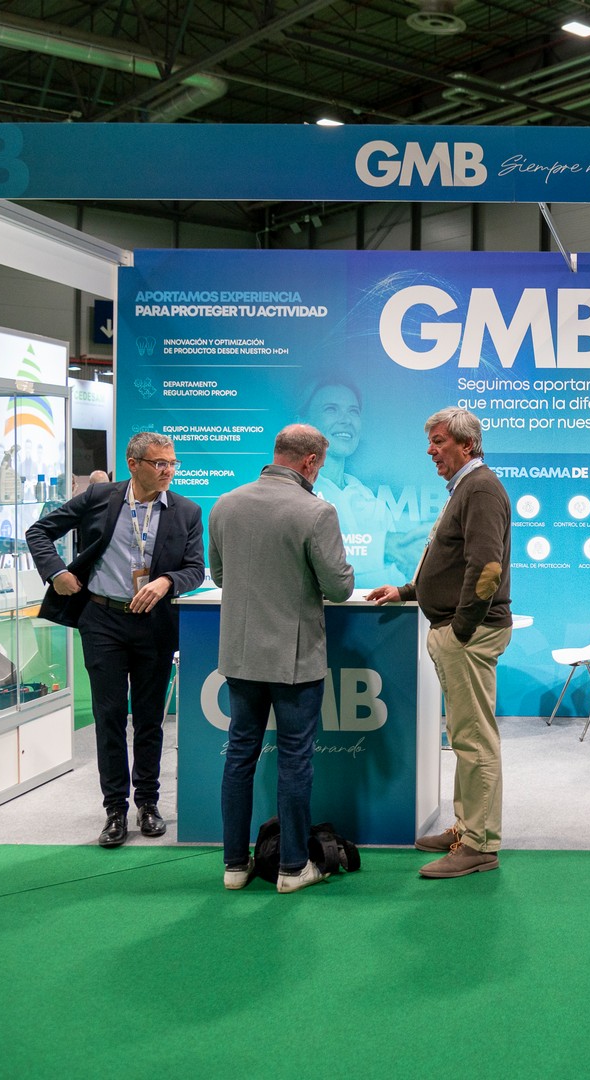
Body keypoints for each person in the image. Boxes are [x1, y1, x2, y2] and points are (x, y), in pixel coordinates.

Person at [26, 433, 204, 848]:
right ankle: (115, 810)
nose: (168, 471)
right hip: (102, 618)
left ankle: (148, 803)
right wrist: (57, 572)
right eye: (159, 463)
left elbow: (195, 569)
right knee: (108, 716)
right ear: (133, 464)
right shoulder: (99, 498)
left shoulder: (187, 511)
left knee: (149, 718)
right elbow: (39, 532)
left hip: (153, 623)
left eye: (172, 463)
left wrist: (166, 581)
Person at [366, 407, 513, 878]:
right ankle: (467, 829)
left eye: (439, 441)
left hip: (467, 634)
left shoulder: (480, 488)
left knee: (474, 741)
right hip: (459, 630)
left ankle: (479, 844)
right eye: (430, 441)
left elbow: (486, 568)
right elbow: (451, 562)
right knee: (467, 738)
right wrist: (409, 591)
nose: (430, 450)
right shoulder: (466, 487)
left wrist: (461, 629)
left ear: (467, 445)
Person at [211, 424, 355, 893]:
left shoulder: (225, 504)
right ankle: (293, 868)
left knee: (239, 756)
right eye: (320, 466)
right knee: (294, 760)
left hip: (240, 656)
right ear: (310, 461)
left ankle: (235, 866)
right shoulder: (317, 511)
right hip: (294, 659)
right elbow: (340, 587)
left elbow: (220, 576)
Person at [300, 376, 418, 587]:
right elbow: (303, 559)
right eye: (331, 409)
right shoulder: (294, 493)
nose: (346, 420)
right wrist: (383, 548)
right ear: (303, 422)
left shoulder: (371, 502)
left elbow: (397, 577)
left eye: (353, 411)